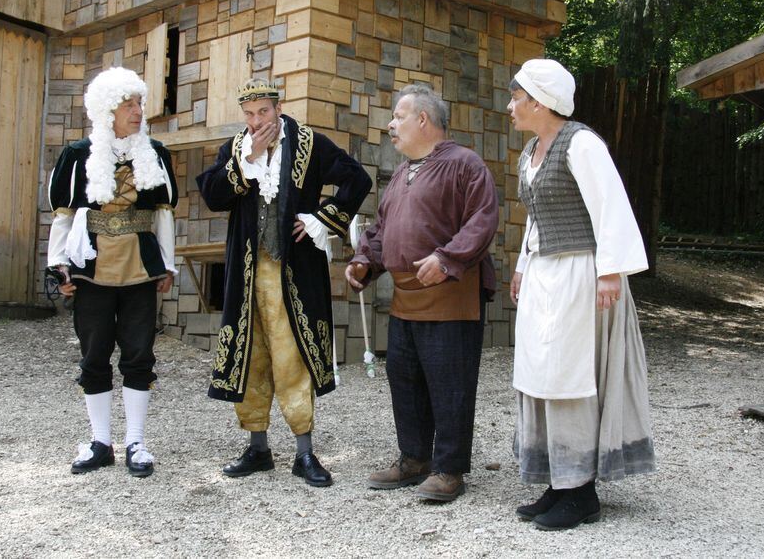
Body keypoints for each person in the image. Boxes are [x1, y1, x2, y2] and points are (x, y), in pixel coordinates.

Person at [197, 78, 371, 487]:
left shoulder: (309, 143)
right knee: (251, 355)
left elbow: (356, 180)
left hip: (295, 272)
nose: (257, 121)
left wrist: (322, 219)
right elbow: (212, 194)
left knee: (292, 356)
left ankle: (304, 453)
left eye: (263, 112)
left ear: (278, 107)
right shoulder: (238, 148)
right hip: (247, 274)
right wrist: (247, 158)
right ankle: (258, 448)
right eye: (250, 114)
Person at [506, 58, 655, 530]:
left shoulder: (582, 143)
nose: (510, 105)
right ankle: (559, 478)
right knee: (543, 374)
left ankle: (581, 492)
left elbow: (609, 205)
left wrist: (610, 272)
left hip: (580, 275)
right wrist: (522, 264)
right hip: (545, 274)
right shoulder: (530, 151)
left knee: (571, 377)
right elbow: (536, 216)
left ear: (540, 100)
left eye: (516, 97)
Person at [346, 84, 499, 502]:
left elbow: (482, 222)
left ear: (423, 120)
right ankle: (414, 459)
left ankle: (449, 470)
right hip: (405, 300)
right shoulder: (400, 174)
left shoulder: (465, 165)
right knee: (406, 380)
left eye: (398, 117)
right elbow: (380, 231)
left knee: (449, 384)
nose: (391, 125)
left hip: (450, 297)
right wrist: (366, 262)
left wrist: (448, 258)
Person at [47, 66, 178, 478]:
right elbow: (64, 216)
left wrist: (168, 263)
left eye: (139, 103)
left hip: (140, 267)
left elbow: (162, 214)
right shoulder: (77, 155)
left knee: (140, 353)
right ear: (108, 111)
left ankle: (135, 442)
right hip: (92, 269)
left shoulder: (154, 153)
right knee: (94, 354)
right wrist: (59, 266)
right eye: (129, 104)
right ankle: (101, 441)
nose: (138, 111)